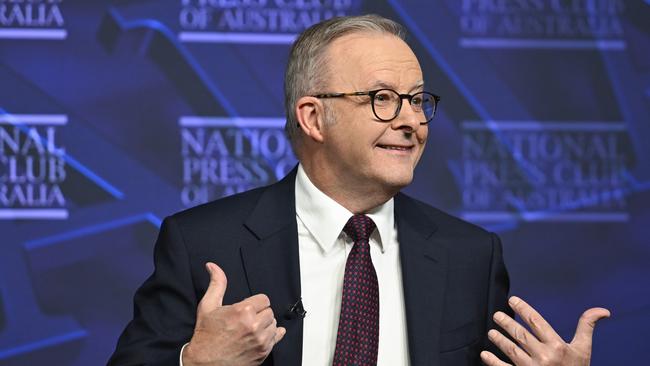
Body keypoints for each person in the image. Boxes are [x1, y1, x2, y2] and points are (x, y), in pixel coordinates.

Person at [108, 14, 610, 366]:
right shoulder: (202, 243)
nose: (412, 120)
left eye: (418, 101)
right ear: (313, 117)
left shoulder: (471, 255)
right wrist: (195, 363)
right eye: (383, 99)